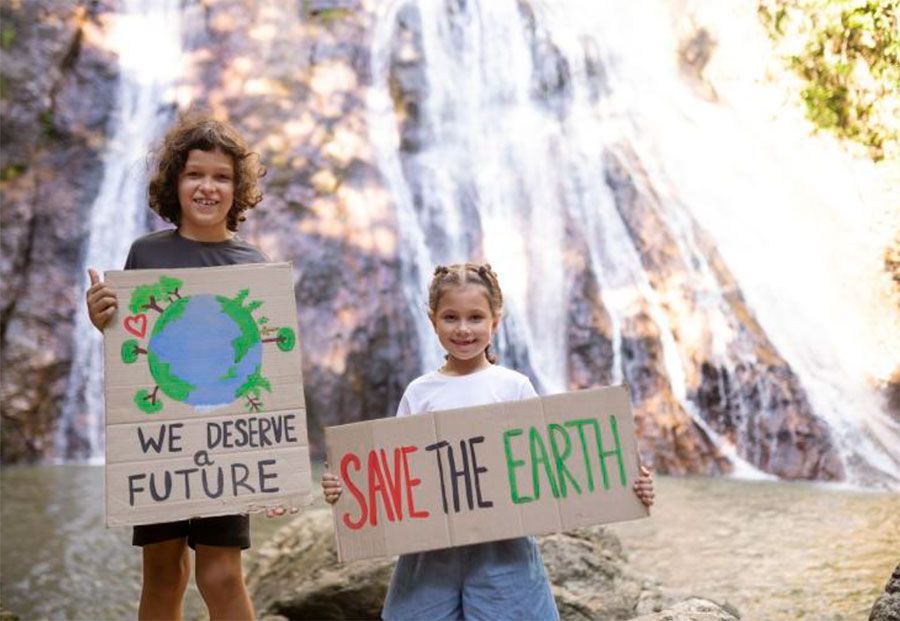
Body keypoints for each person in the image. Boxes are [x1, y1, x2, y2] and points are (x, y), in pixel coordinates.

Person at [321, 262, 656, 620]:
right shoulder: (419, 392)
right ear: (433, 320)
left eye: (475, 317)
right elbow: (393, 474)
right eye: (451, 317)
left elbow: (553, 466)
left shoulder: (513, 386)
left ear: (495, 321)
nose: (463, 329)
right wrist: (345, 489)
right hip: (432, 553)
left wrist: (629, 484)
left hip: (503, 550)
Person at [85, 113, 281, 621]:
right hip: (160, 438)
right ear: (175, 181)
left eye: (221, 177)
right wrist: (100, 317)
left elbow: (270, 364)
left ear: (238, 190)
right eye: (195, 174)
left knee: (220, 574)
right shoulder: (145, 253)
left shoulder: (253, 266)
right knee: (164, 573)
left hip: (228, 439)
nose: (207, 187)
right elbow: (131, 345)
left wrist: (276, 470)